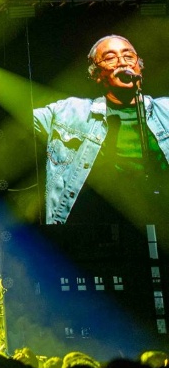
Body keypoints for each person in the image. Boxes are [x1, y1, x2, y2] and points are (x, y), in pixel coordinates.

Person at [33, 35, 169, 225]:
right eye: (110, 57)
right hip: (97, 224)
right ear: (96, 74)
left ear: (139, 67)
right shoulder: (70, 113)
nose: (122, 62)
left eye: (128, 56)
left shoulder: (166, 110)